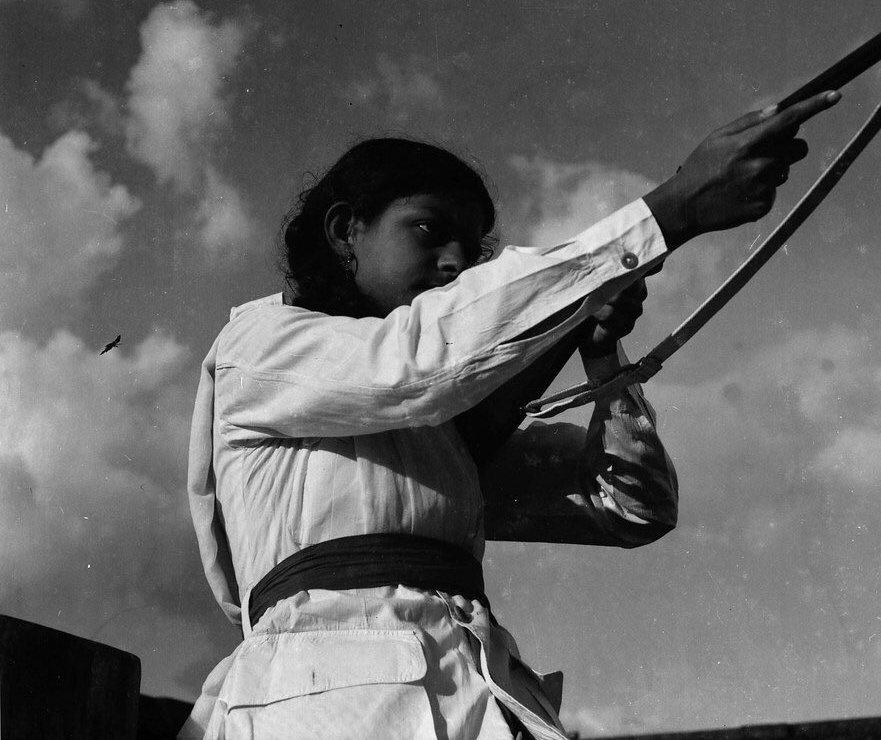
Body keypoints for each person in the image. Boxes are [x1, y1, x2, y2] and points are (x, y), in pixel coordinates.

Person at [180, 91, 839, 740]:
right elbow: (422, 362)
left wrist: (602, 360)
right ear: (345, 231)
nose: (455, 261)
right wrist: (666, 213)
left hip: (479, 699)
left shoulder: (440, 432)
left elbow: (632, 508)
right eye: (429, 229)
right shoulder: (259, 348)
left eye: (471, 247)